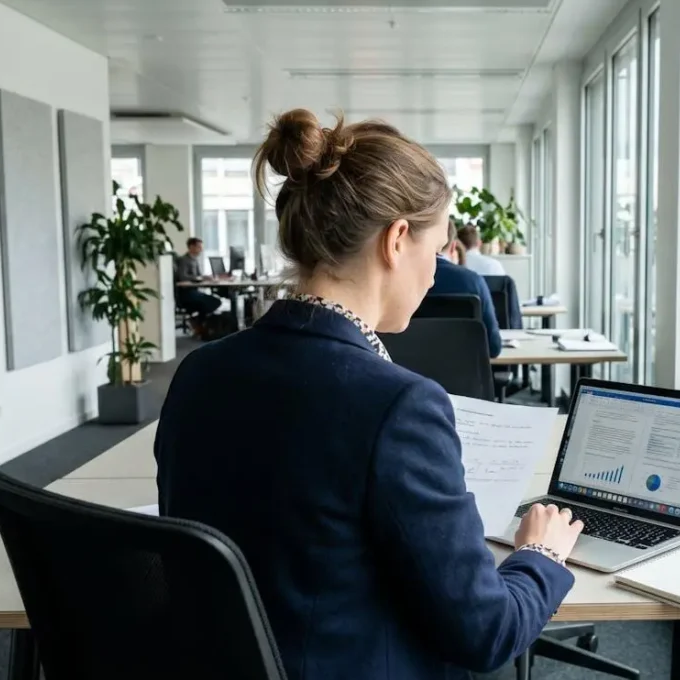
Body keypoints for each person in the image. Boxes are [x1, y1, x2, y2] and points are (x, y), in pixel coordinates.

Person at [154, 108, 582, 679]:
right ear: (397, 240)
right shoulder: (399, 404)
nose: (434, 276)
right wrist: (542, 555)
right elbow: (487, 632)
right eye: (435, 250)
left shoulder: (199, 371)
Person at [430, 223, 503, 357]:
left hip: (410, 373)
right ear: (453, 246)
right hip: (469, 374)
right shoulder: (473, 281)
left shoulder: (407, 280)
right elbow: (494, 347)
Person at [173, 237, 222, 319]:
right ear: (191, 247)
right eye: (199, 247)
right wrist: (198, 278)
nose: (201, 250)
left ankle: (199, 322)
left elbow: (199, 275)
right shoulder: (184, 260)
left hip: (194, 291)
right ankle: (198, 322)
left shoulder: (195, 260)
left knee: (215, 301)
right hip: (186, 294)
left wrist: (206, 277)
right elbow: (183, 277)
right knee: (214, 302)